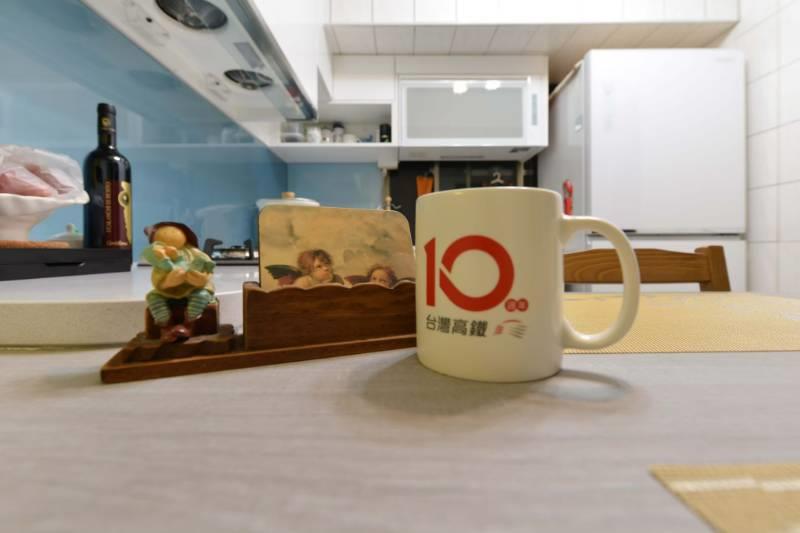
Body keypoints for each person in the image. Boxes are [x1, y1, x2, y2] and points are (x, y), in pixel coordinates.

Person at [140, 222, 215, 341]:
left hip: (193, 288)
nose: (169, 235)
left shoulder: (194, 253)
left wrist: (200, 278)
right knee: (153, 297)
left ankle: (188, 324)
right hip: (167, 290)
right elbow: (157, 277)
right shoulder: (159, 255)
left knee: (201, 295)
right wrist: (167, 282)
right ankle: (166, 326)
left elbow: (207, 268)